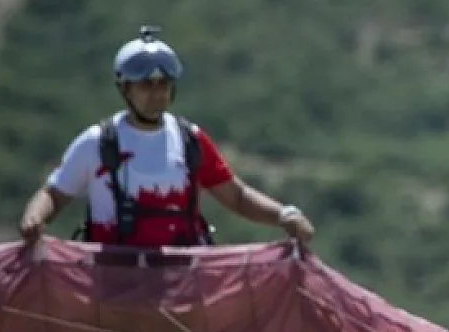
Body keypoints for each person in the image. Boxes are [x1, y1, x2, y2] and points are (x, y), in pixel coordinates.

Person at [18, 26, 316, 249]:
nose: (156, 94)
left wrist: (285, 214)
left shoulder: (190, 140)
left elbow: (236, 197)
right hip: (113, 286)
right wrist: (35, 217)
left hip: (183, 285)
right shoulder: (98, 142)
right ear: (125, 89)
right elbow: (55, 194)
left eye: (163, 84)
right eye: (145, 85)